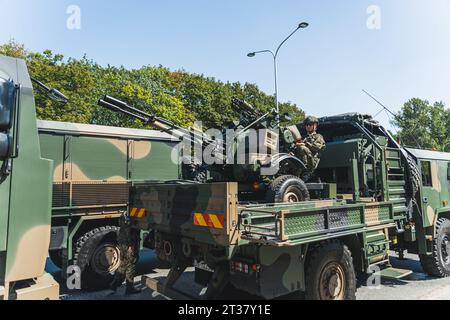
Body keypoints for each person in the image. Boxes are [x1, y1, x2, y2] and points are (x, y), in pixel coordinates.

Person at [110, 211, 142, 295]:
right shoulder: (134, 214)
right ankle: (130, 288)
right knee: (131, 264)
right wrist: (131, 245)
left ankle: (115, 284)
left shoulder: (124, 214)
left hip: (122, 242)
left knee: (123, 264)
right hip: (129, 244)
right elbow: (131, 231)